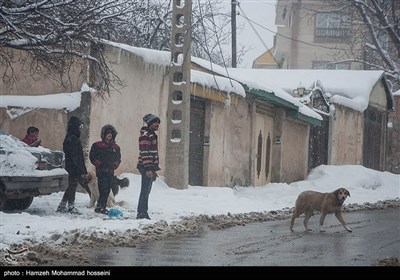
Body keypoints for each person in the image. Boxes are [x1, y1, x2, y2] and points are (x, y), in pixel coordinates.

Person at [56, 116, 91, 214]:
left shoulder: (72, 137)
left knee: (72, 185)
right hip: (74, 167)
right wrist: (81, 169)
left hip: (73, 166)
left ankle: (62, 205)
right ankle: (70, 206)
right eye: (79, 126)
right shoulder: (72, 139)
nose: (80, 128)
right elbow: (76, 156)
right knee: (72, 186)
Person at [89, 124, 121, 215]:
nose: (109, 135)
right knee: (102, 189)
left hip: (110, 171)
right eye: (108, 133)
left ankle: (101, 206)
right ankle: (101, 206)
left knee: (107, 189)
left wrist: (115, 165)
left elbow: (118, 158)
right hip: (101, 171)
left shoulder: (115, 147)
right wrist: (99, 164)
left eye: (111, 134)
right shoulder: (97, 145)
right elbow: (92, 157)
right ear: (104, 135)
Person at [136, 114, 161, 220]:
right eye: (155, 122)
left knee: (147, 190)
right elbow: (145, 153)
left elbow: (153, 153)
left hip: (150, 167)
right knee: (145, 190)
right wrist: (148, 169)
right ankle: (141, 212)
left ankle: (143, 211)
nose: (157, 125)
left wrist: (154, 169)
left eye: (158, 123)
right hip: (146, 166)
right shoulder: (146, 135)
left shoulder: (152, 135)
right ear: (150, 123)